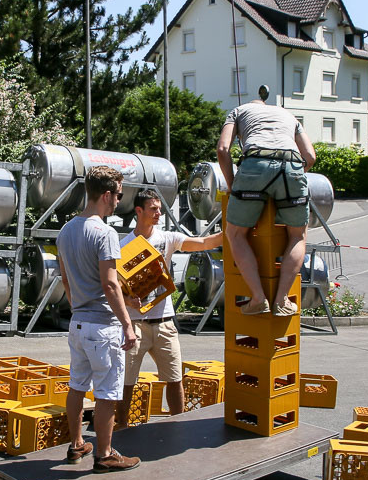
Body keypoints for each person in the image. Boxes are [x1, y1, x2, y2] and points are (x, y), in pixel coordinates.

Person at [56, 165, 140, 473]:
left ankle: (77, 443)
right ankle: (104, 454)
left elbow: (66, 280)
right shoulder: (105, 233)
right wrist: (128, 324)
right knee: (107, 393)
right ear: (106, 195)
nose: (119, 200)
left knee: (77, 385)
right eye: (118, 194)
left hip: (78, 322)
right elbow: (109, 283)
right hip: (103, 326)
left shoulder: (66, 231)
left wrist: (81, 304)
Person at [115, 189, 222, 428]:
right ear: (139, 211)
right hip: (134, 325)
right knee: (126, 381)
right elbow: (112, 287)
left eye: (159, 209)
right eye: (153, 209)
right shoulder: (122, 246)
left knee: (175, 379)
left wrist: (233, 232)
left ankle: (179, 425)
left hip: (164, 322)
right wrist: (127, 300)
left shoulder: (167, 239)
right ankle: (121, 428)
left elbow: (203, 243)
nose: (158, 213)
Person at [216, 84, 316, 316]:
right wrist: (293, 179)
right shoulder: (287, 115)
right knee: (297, 235)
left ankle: (259, 298)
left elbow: (223, 149)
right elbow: (309, 156)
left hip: (255, 164)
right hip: (292, 164)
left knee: (235, 234)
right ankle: (282, 300)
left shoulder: (238, 112)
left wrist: (234, 186)